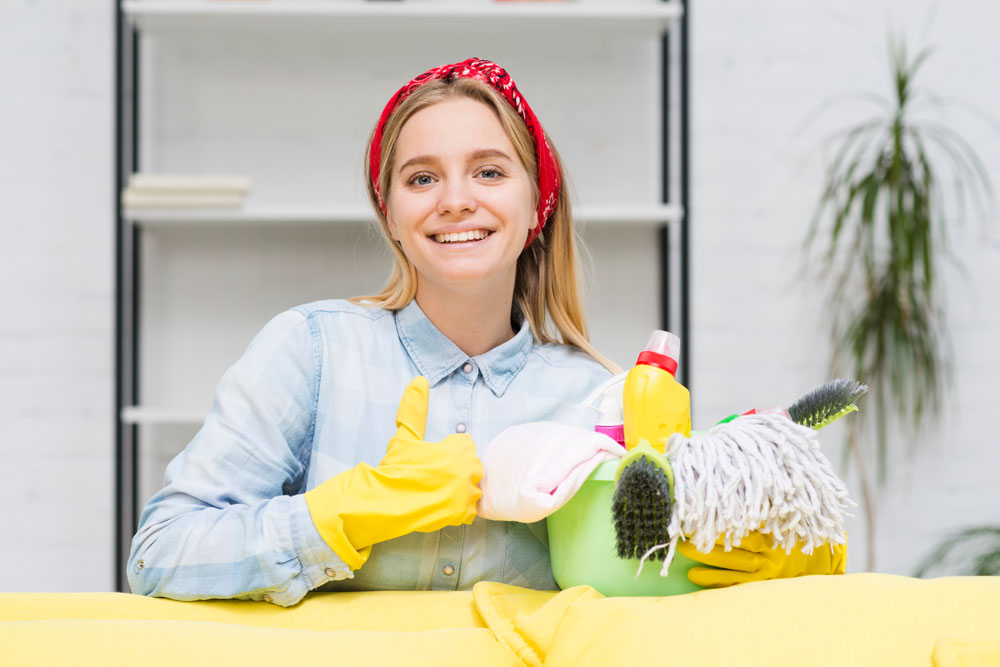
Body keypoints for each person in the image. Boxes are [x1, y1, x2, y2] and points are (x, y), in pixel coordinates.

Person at [127, 58, 617, 606]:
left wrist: (703, 541)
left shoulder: (597, 399)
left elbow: (628, 595)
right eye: (422, 178)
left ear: (536, 205)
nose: (455, 201)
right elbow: (159, 556)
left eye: (489, 172)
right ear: (390, 215)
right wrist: (346, 512)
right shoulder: (310, 351)